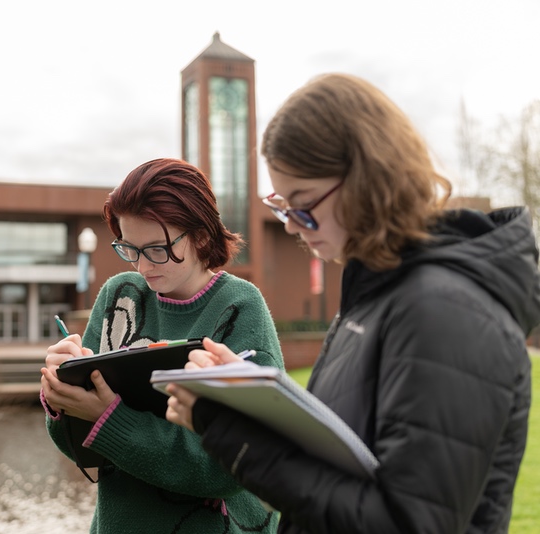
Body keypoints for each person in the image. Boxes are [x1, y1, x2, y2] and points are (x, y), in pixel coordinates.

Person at [164, 73, 540, 533]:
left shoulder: (447, 310)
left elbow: (407, 522)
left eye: (302, 204)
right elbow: (349, 456)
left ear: (368, 179)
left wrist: (231, 436)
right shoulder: (380, 293)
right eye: (283, 205)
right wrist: (248, 398)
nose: (291, 225)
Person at [40, 157, 284, 533]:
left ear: (201, 235)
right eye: (129, 248)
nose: (143, 266)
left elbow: (236, 466)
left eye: (157, 249)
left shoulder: (239, 309)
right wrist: (62, 399)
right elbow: (81, 452)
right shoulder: (118, 296)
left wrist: (111, 420)